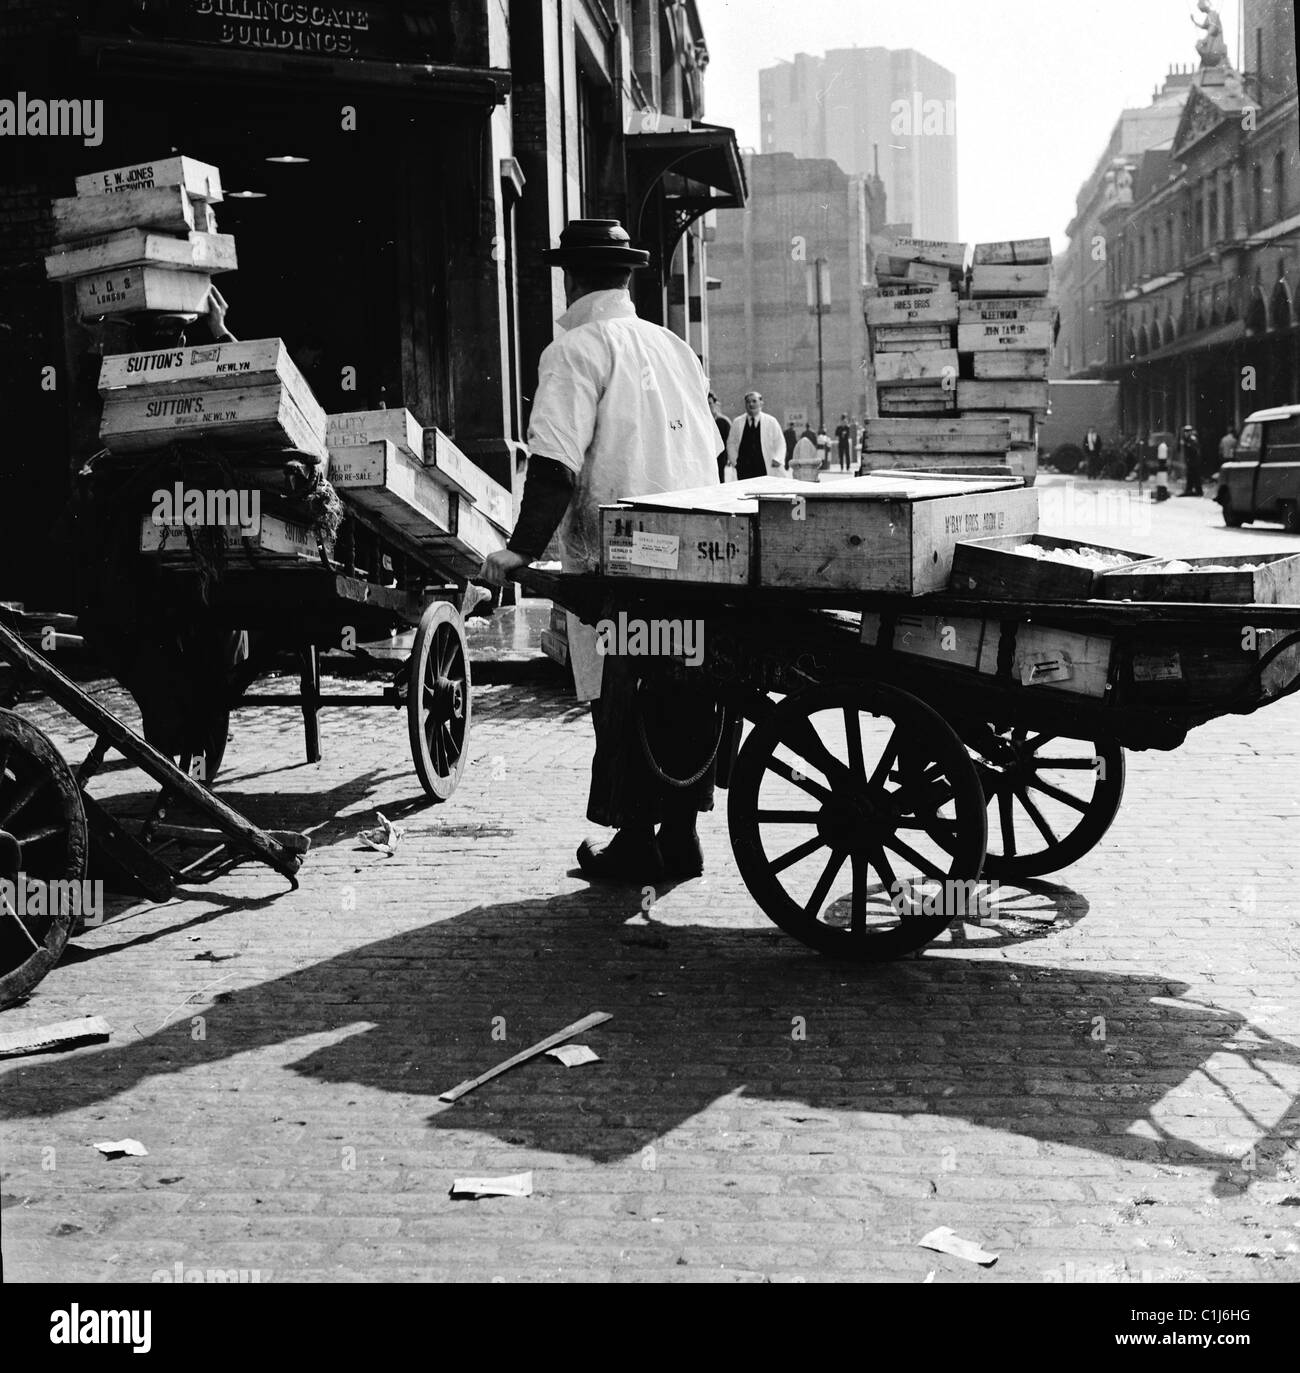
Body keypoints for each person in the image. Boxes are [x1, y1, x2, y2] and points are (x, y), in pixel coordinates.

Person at [480, 218, 722, 882]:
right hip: (698, 551)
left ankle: (639, 841)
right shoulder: (676, 347)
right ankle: (681, 836)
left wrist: (520, 551)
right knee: (683, 693)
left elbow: (555, 465)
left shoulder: (575, 349)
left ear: (572, 278)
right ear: (624, 276)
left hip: (620, 557)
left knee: (622, 696)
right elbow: (712, 444)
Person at [726, 390, 786, 479]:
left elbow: (780, 442)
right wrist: (735, 461)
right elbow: (731, 443)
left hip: (765, 466)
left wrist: (778, 458)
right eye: (748, 402)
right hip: (744, 468)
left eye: (754, 401)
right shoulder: (737, 422)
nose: (751, 404)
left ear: (761, 403)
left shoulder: (771, 421)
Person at [708, 391, 731, 482]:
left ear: (715, 404)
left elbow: (729, 441)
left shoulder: (723, 421)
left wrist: (728, 458)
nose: (707, 406)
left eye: (709, 403)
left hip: (720, 460)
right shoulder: (699, 422)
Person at [1179, 424, 1203, 496]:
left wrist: (1185, 444)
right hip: (1191, 462)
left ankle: (1198, 491)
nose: (1186, 433)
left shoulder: (1192, 439)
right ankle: (1189, 490)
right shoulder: (1188, 439)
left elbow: (1194, 450)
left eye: (1187, 431)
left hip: (1194, 462)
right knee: (1191, 476)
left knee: (1196, 477)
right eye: (1185, 432)